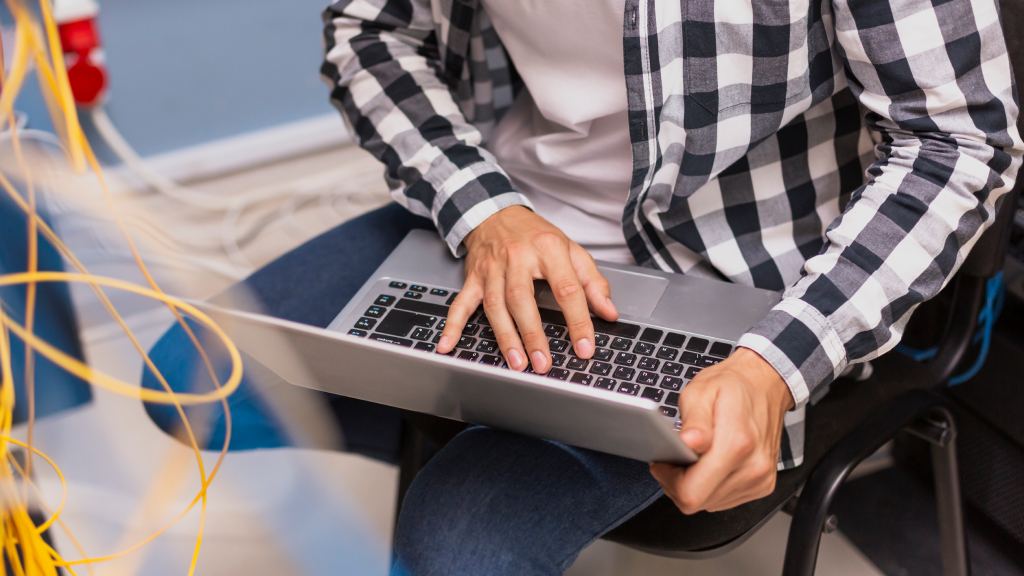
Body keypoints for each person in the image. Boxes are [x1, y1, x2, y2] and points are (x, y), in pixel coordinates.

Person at [144, 0, 1022, 574]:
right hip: (501, 215)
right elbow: (369, 33)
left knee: (458, 552)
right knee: (186, 385)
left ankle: (516, 432)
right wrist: (485, 210)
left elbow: (957, 145)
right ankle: (498, 414)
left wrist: (774, 367)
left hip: (737, 283)